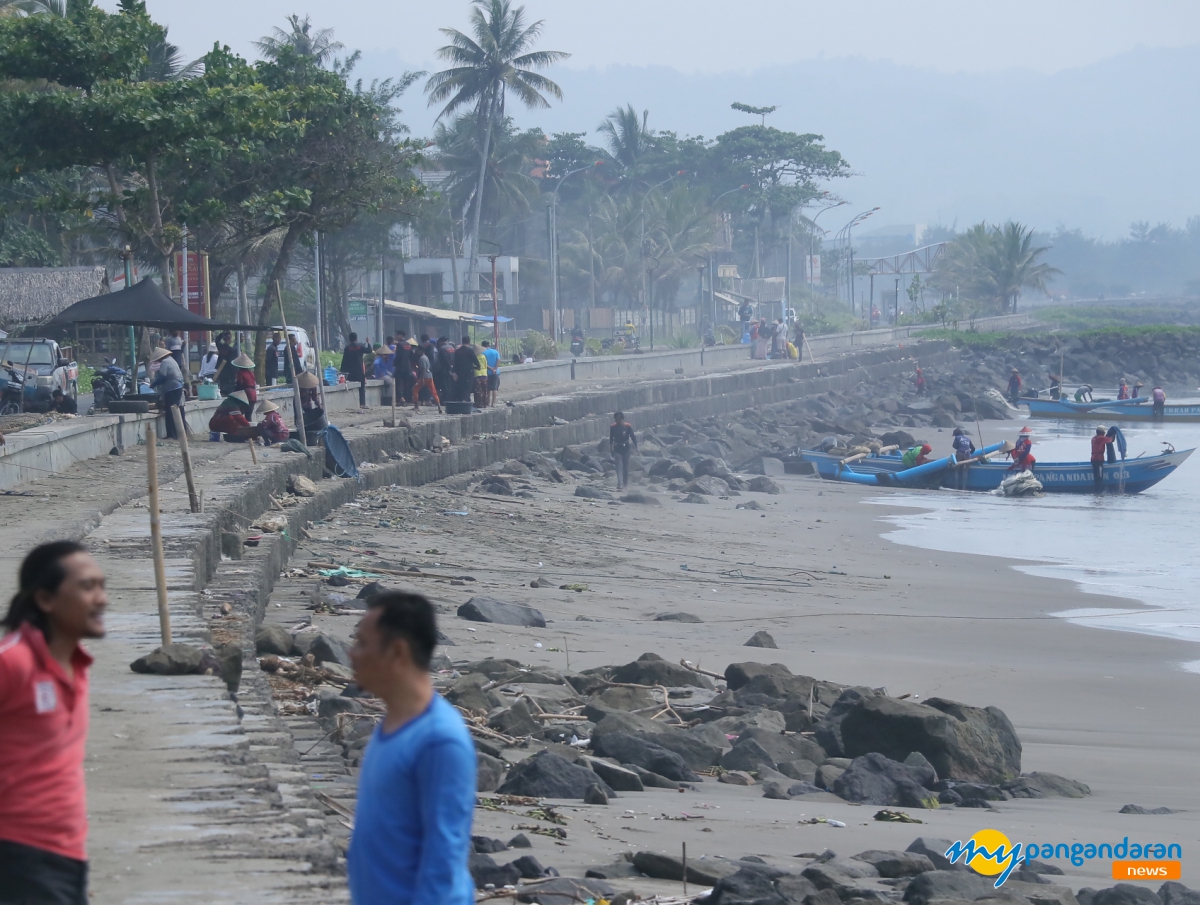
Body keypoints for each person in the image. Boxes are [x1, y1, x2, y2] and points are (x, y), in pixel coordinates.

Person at [347, 591, 475, 905]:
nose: (352, 654)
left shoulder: (439, 741)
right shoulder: (392, 724)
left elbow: (444, 858)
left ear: (398, 652)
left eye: (363, 643)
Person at [0, 541, 107, 905]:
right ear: (45, 600)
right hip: (18, 855)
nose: (101, 599)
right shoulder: (12, 664)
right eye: (86, 587)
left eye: (101, 586)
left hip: (67, 853)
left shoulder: (79, 664)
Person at [149, 347, 186, 440]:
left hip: (172, 389)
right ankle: (176, 434)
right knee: (174, 410)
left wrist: (153, 384)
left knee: (170, 412)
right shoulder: (172, 360)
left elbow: (162, 376)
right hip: (177, 387)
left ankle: (171, 434)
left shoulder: (165, 362)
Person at [340, 332, 369, 409]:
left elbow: (344, 360)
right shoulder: (360, 346)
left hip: (350, 371)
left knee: (350, 387)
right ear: (356, 338)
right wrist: (368, 343)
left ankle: (350, 404)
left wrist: (342, 371)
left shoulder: (347, 348)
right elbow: (369, 350)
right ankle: (362, 404)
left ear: (349, 339)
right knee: (362, 387)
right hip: (359, 370)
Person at [610, 411, 638, 490]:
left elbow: (633, 437)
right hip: (617, 448)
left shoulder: (628, 426)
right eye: (615, 419)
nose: (617, 421)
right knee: (618, 466)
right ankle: (620, 484)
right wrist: (611, 449)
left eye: (618, 419)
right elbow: (611, 439)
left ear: (622, 419)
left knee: (625, 467)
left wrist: (636, 446)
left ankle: (625, 484)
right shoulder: (613, 427)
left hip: (626, 448)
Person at [297, 371, 327, 442]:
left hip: (307, 403)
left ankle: (307, 428)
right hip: (298, 401)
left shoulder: (313, 386)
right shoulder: (299, 385)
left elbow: (315, 397)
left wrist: (318, 404)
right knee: (298, 417)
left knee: (308, 417)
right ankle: (300, 429)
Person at [412, 346, 442, 414]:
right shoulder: (426, 357)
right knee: (433, 391)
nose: (417, 352)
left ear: (421, 351)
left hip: (424, 376)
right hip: (430, 376)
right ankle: (439, 406)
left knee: (415, 389)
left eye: (418, 351)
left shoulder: (421, 359)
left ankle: (416, 406)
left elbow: (423, 369)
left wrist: (421, 379)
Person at [452, 336, 478, 404]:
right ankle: (466, 401)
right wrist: (478, 366)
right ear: (469, 342)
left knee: (460, 386)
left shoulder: (457, 351)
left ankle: (460, 401)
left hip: (459, 373)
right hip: (468, 372)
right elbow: (475, 360)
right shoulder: (470, 351)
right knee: (468, 387)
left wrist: (454, 372)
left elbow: (455, 362)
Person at [214, 331, 239, 396]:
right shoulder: (231, 350)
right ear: (229, 339)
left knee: (222, 384)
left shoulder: (220, 347)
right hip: (228, 370)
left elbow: (217, 339)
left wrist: (222, 333)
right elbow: (232, 362)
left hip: (221, 369)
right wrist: (235, 372)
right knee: (228, 386)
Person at [1091, 426, 1114, 491]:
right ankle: (1099, 491)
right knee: (1099, 477)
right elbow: (1110, 440)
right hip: (1099, 460)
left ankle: (1097, 491)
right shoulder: (1101, 438)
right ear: (1102, 433)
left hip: (1093, 459)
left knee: (1096, 476)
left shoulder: (1093, 438)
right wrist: (1113, 433)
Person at [482, 339, 500, 407]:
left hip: (486, 373)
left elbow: (483, 363)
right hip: (496, 372)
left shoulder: (483, 353)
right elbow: (498, 360)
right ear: (489, 345)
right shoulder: (495, 351)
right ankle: (493, 403)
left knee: (488, 389)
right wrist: (495, 369)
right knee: (495, 388)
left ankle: (488, 403)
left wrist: (490, 368)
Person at [472, 340, 488, 408]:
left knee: (478, 390)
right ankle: (485, 403)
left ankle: (478, 404)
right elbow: (485, 365)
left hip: (477, 374)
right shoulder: (483, 356)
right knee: (484, 390)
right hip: (484, 374)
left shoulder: (474, 357)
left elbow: (472, 365)